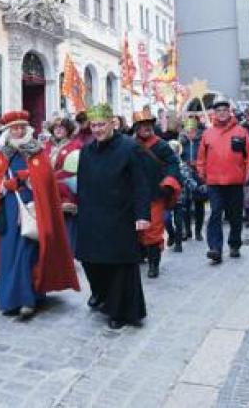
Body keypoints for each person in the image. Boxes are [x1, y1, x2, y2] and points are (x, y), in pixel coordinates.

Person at [0, 111, 79, 319]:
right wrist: (2, 185)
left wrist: (28, 179)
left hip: (32, 208)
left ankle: (28, 299)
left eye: (21, 128)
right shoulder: (0, 153)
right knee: (9, 252)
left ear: (27, 129)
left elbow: (45, 179)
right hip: (8, 210)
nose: (18, 131)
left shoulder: (36, 151)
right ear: (8, 131)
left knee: (28, 250)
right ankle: (10, 298)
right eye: (13, 128)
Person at [76, 104, 150, 329]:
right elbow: (82, 183)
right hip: (91, 214)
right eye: (94, 125)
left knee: (118, 265)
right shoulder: (87, 151)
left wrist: (142, 214)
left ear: (112, 123)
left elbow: (141, 184)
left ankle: (120, 311)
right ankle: (100, 294)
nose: (97, 129)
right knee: (89, 260)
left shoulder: (130, 147)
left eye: (101, 124)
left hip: (120, 215)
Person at [196, 96, 249, 265]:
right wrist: (202, 174)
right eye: (218, 110)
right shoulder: (207, 134)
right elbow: (200, 158)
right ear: (214, 113)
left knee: (235, 215)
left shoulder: (241, 132)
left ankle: (235, 244)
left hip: (235, 181)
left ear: (229, 112)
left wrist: (247, 175)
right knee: (215, 214)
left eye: (224, 110)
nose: (221, 113)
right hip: (214, 182)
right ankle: (215, 248)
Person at [132, 108, 181, 278]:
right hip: (133, 196)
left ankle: (154, 264)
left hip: (154, 193)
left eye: (149, 124)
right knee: (135, 229)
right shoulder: (129, 145)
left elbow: (173, 165)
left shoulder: (161, 145)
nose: (147, 127)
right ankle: (139, 256)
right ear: (136, 127)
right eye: (142, 124)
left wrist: (168, 184)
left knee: (153, 230)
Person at [43, 116, 82, 249]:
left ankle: (67, 262)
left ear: (68, 130)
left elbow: (76, 171)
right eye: (56, 127)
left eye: (62, 127)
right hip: (48, 192)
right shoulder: (46, 145)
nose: (58, 130)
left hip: (67, 192)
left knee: (67, 230)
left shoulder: (76, 145)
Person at [179, 117, 207, 240]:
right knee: (185, 204)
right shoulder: (181, 143)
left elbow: (206, 158)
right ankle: (187, 230)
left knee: (199, 204)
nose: (190, 133)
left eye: (193, 131)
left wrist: (198, 164)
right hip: (185, 177)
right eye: (188, 131)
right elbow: (177, 157)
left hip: (198, 176)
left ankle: (198, 231)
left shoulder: (202, 143)